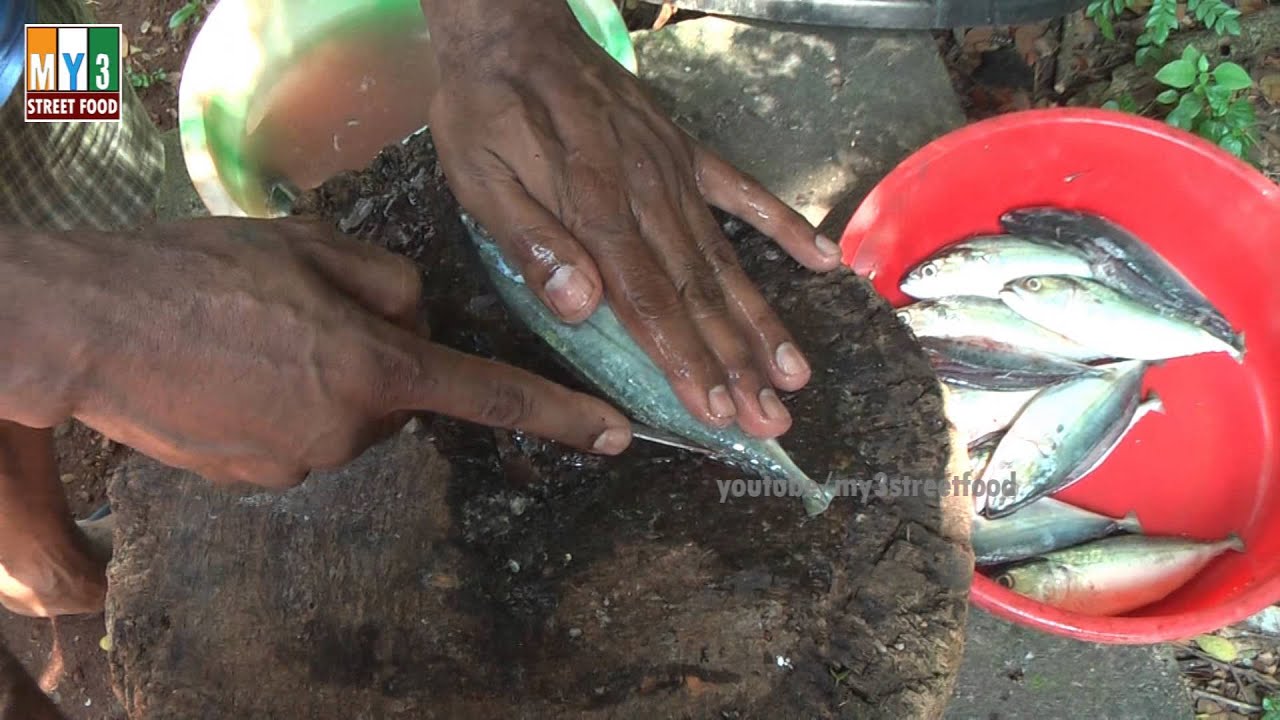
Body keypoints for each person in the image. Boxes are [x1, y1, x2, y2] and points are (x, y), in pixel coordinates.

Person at [0, 0, 840, 714]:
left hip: (30, 35)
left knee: (111, 183)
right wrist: (73, 326)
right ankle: (40, 559)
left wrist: (497, 25)